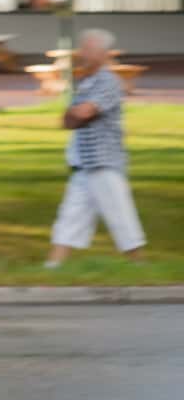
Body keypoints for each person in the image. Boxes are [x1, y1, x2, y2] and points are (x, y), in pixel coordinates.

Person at [46, 29, 145, 266]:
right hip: (82, 165)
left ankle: (140, 266)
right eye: (83, 48)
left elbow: (85, 111)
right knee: (69, 217)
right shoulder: (85, 83)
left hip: (103, 162)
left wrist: (78, 113)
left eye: (88, 49)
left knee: (121, 216)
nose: (83, 53)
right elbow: (68, 121)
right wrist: (76, 114)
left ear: (102, 53)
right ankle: (52, 267)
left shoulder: (108, 81)